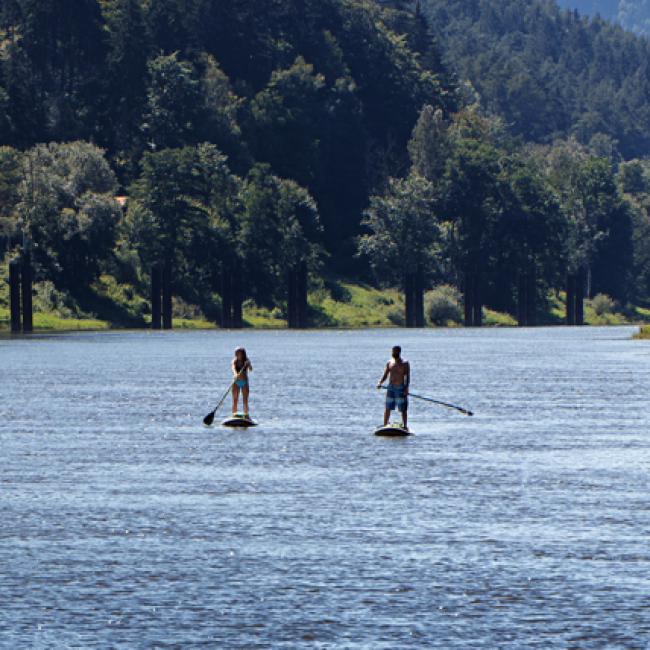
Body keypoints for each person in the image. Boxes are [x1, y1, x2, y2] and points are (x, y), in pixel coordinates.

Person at [377, 345, 410, 428]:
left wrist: (406, 388)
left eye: (395, 351)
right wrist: (380, 382)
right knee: (387, 407)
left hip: (400, 387)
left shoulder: (404, 363)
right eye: (392, 351)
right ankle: (385, 424)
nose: (393, 353)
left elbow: (407, 376)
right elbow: (385, 374)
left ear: (399, 352)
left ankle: (405, 426)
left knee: (402, 409)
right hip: (391, 387)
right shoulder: (389, 362)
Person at [231, 346, 252, 417]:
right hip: (236, 382)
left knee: (245, 401)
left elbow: (250, 369)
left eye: (238, 353)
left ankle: (246, 415)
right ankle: (234, 415)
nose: (236, 354)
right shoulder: (234, 361)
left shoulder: (246, 360)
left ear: (242, 354)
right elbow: (233, 368)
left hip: (244, 382)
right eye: (235, 353)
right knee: (235, 400)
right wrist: (236, 374)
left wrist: (248, 365)